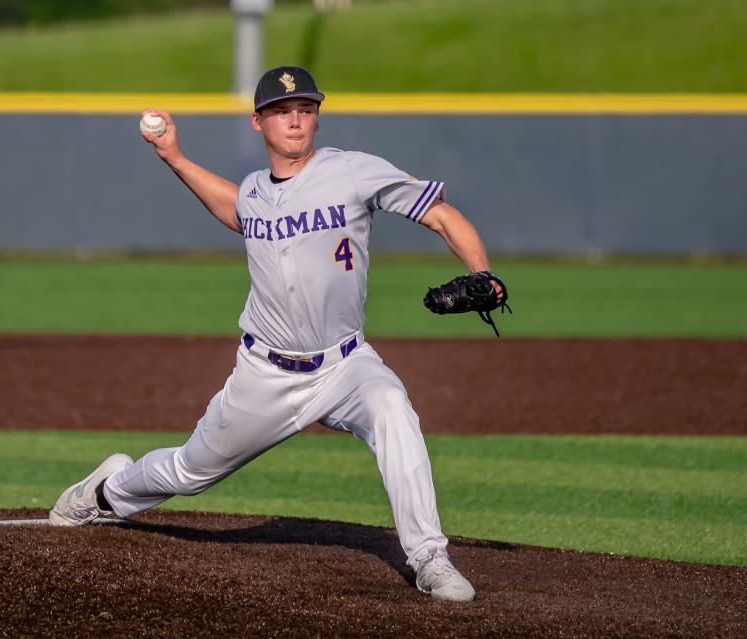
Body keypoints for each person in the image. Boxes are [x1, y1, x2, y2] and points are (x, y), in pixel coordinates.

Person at [50, 66, 504, 601]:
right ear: (258, 122)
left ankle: (430, 557)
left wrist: (483, 274)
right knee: (189, 469)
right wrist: (173, 157)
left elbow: (443, 217)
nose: (296, 120)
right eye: (283, 111)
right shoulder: (255, 193)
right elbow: (236, 210)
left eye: (306, 109)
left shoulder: (352, 171)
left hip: (344, 365)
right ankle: (103, 493)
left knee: (392, 408)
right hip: (265, 374)